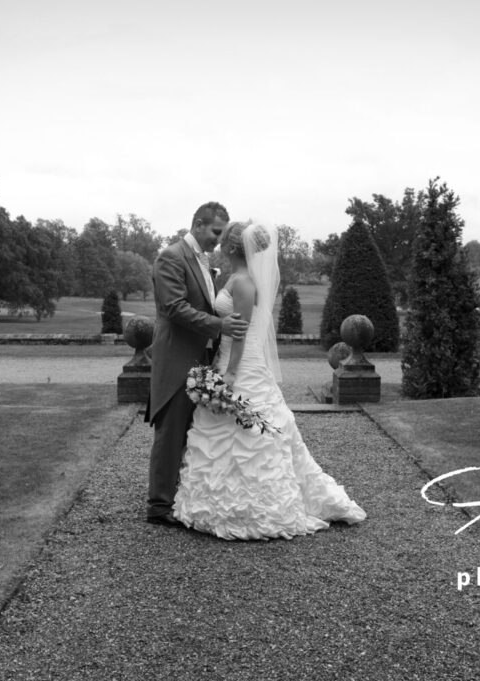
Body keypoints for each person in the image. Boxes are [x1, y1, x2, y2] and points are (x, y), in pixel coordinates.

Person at [173, 221, 366, 539]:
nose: (218, 243)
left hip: (242, 365)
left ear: (234, 247)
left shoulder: (245, 283)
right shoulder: (238, 278)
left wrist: (230, 375)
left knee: (251, 432)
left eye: (223, 239)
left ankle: (257, 508)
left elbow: (241, 333)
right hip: (228, 359)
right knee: (228, 431)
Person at [145, 202, 251, 526]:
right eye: (216, 232)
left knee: (190, 430)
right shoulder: (171, 257)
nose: (218, 241)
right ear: (198, 224)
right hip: (177, 358)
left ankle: (177, 496)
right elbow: (174, 308)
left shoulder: (203, 261)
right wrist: (220, 326)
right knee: (171, 430)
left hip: (201, 359)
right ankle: (159, 507)